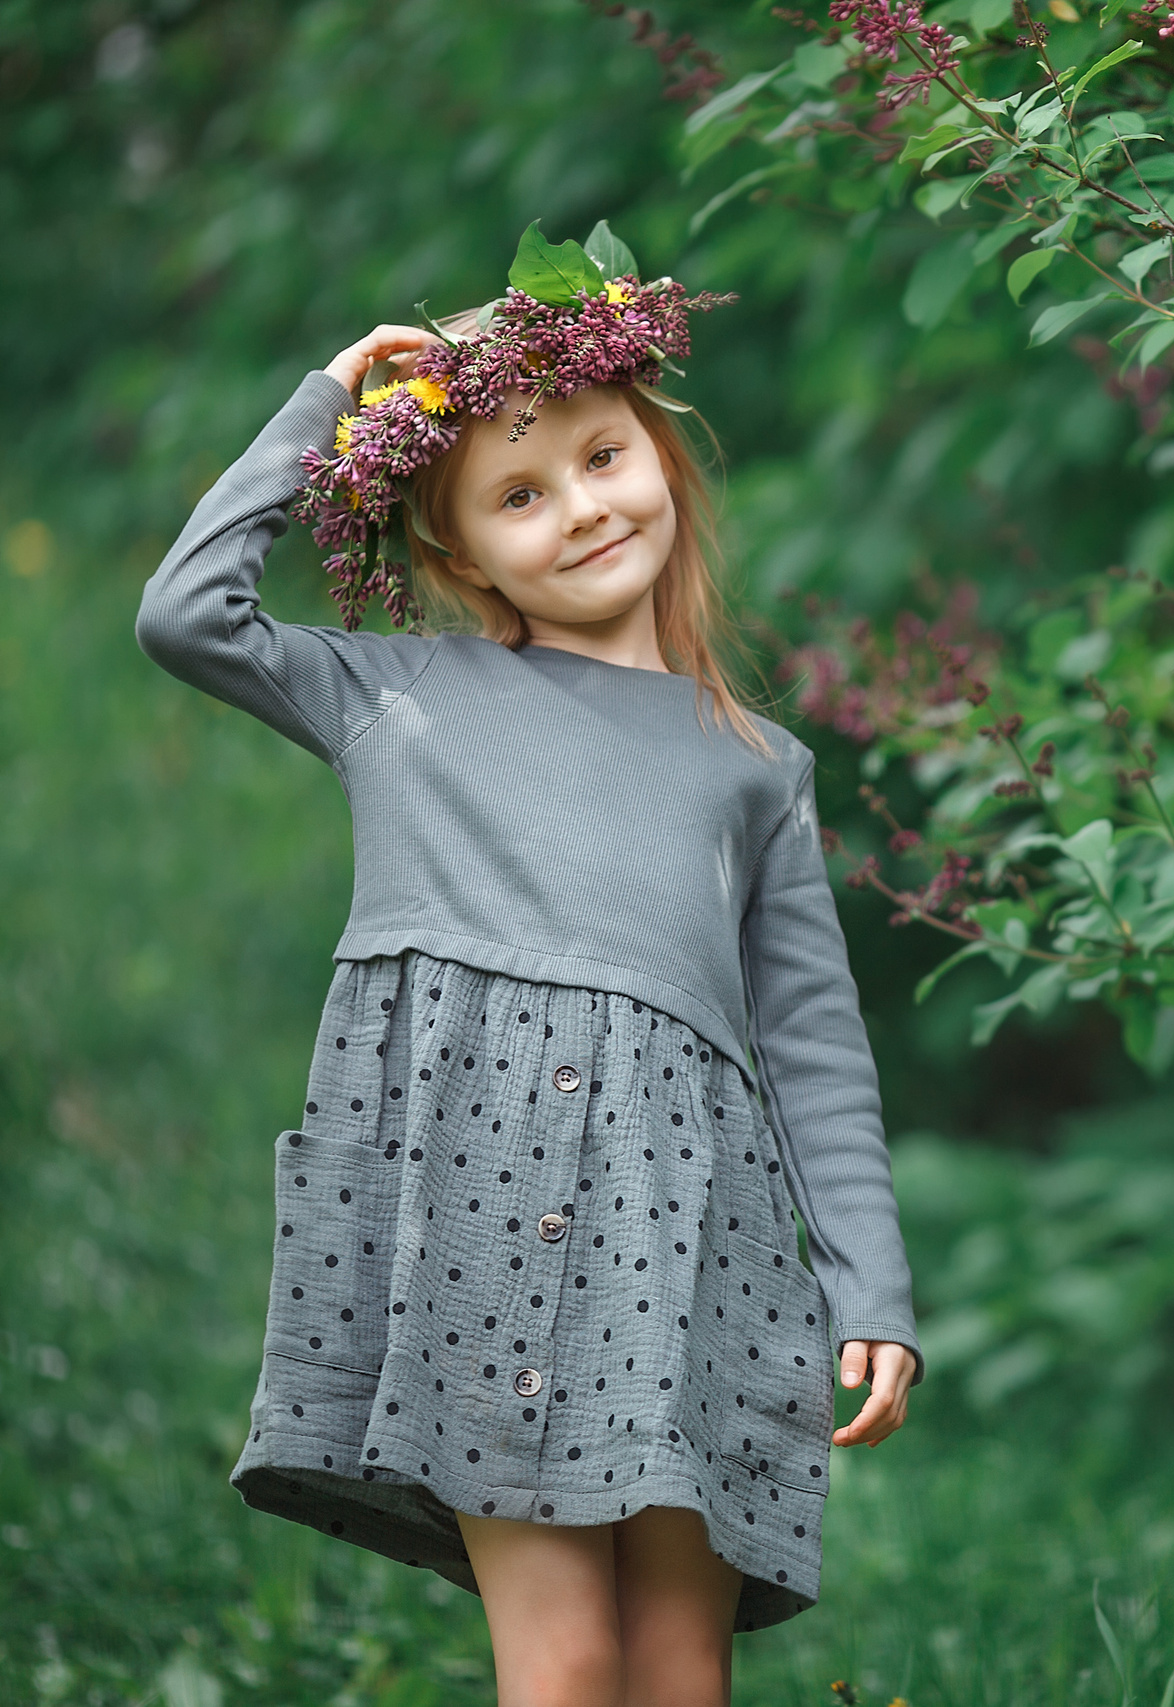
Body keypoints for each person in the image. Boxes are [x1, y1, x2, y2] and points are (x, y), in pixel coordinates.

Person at [134, 225, 919, 1707]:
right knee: (559, 1669)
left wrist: (872, 1283)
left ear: (663, 458)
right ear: (455, 552)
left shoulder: (757, 765)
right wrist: (327, 405)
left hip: (702, 1247)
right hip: (485, 1237)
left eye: (602, 458)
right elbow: (186, 615)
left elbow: (812, 1042)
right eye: (516, 493)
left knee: (680, 1672)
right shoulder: (400, 696)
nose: (578, 509)